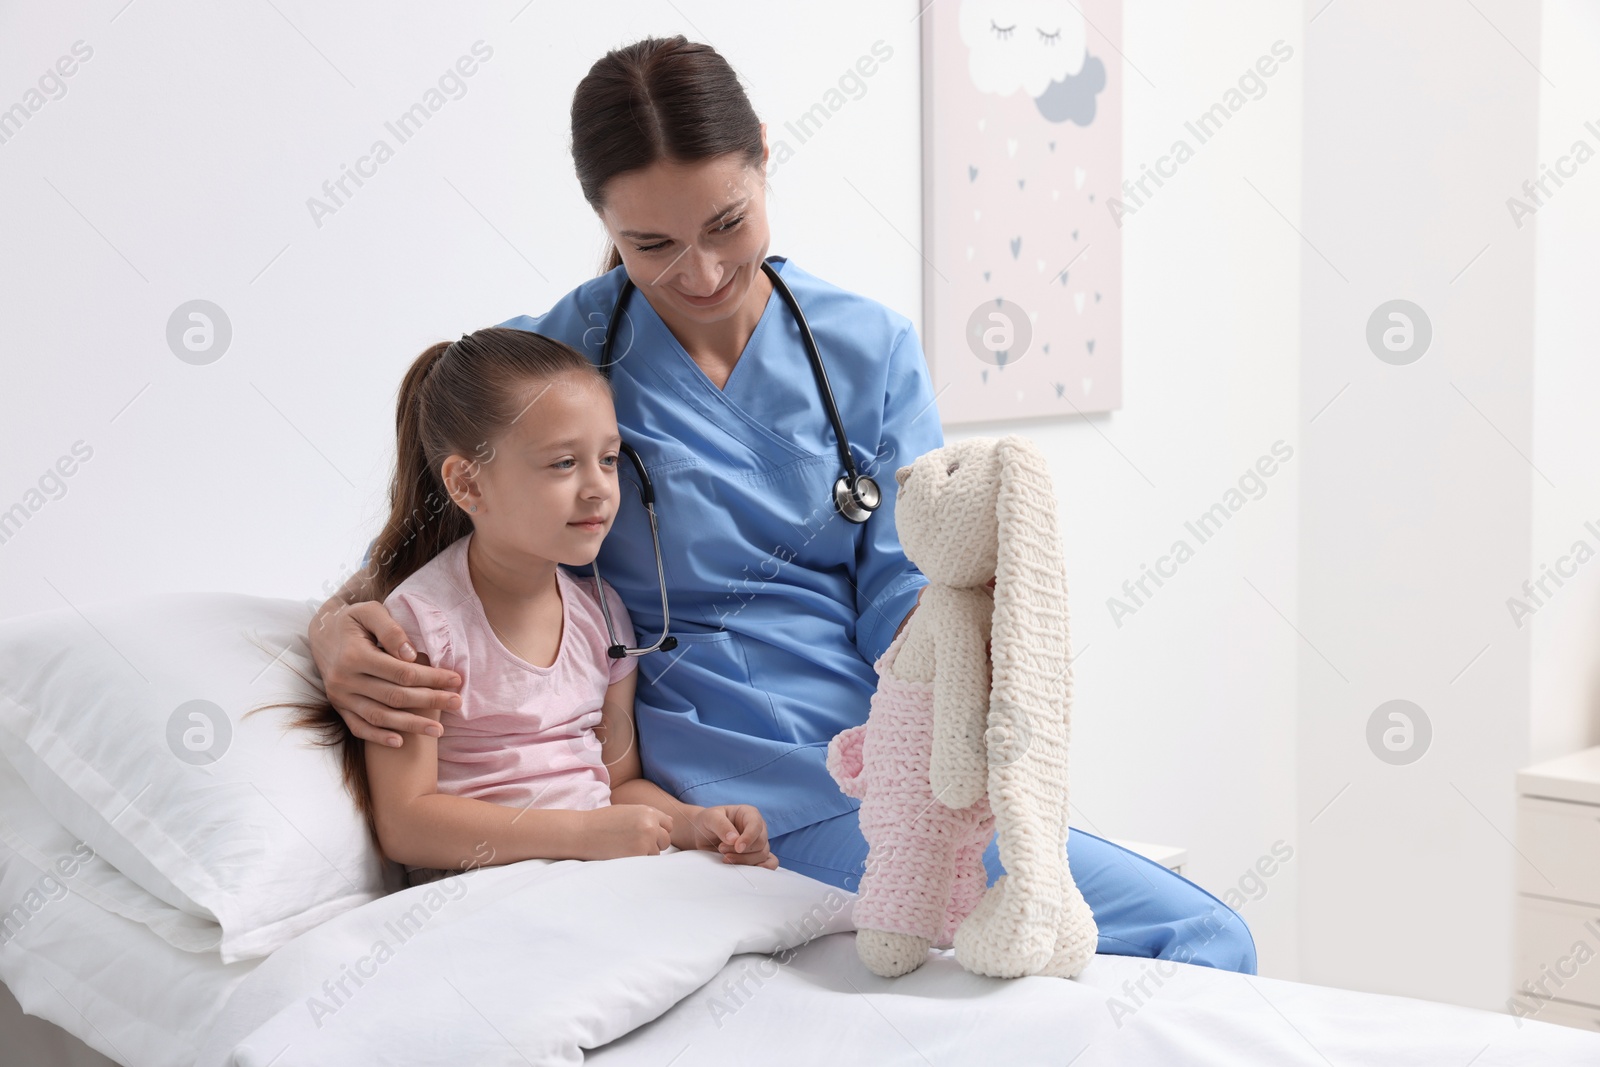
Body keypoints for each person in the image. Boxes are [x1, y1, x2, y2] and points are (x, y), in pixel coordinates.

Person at [309, 35, 1256, 970]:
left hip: (881, 758)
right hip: (726, 790)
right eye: (651, 244)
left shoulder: (868, 349)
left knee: (1202, 935)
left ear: (764, 152)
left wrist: (968, 736)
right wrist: (335, 631)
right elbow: (434, 552)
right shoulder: (558, 368)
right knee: (1182, 943)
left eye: (727, 223)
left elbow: (912, 588)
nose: (703, 273)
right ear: (601, 216)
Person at [285, 326, 778, 885]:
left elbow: (617, 784)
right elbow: (407, 823)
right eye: (564, 463)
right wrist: (582, 835)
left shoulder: (605, 616)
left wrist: (694, 823)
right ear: (467, 484)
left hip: (600, 869)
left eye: (610, 459)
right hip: (491, 883)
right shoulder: (421, 628)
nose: (598, 488)